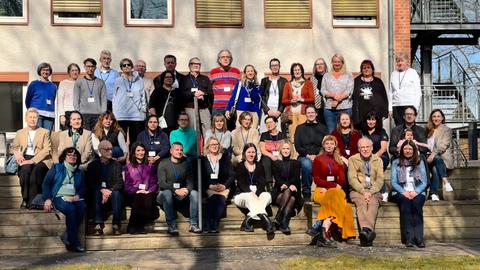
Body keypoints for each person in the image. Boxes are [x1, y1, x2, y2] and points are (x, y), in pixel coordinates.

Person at [307, 135, 356, 247]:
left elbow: (342, 179)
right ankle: (323, 230)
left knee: (337, 196)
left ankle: (322, 228)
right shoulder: (318, 159)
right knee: (343, 203)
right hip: (321, 190)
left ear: (335, 146)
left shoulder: (339, 160)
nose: (329, 146)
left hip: (336, 190)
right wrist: (333, 185)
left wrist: (334, 187)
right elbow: (317, 179)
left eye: (331, 144)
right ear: (323, 145)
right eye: (327, 143)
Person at [42, 147, 86, 253]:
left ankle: (67, 235)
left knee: (82, 207)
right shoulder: (57, 168)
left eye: (75, 155)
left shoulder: (79, 172)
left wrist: (78, 196)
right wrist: (47, 199)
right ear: (64, 157)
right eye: (69, 155)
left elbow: (84, 187)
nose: (72, 157)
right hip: (59, 197)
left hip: (73, 198)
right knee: (71, 210)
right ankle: (75, 243)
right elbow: (46, 183)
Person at [11, 108, 53, 208]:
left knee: (35, 173)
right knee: (25, 171)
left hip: (41, 158)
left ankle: (32, 202)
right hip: (25, 157)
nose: (32, 119)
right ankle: (25, 198)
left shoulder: (44, 132)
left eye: (35, 117)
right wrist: (18, 154)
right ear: (26, 118)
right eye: (30, 117)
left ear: (38, 119)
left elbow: (47, 149)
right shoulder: (20, 132)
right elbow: (14, 147)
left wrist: (32, 160)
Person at [156, 142, 200, 235]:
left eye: (181, 150)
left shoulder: (186, 163)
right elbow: (162, 183)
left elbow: (190, 182)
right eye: (177, 149)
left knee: (195, 193)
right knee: (167, 192)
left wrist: (187, 190)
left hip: (181, 194)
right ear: (171, 151)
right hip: (165, 194)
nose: (179, 152)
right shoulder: (163, 163)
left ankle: (193, 224)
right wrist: (175, 190)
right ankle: (171, 225)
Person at [390, 140, 428, 248]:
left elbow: (424, 181)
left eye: (410, 149)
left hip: (417, 191)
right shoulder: (395, 162)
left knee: (417, 205)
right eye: (405, 149)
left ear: (414, 150)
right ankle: (409, 238)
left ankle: (419, 238)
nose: (407, 151)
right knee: (406, 205)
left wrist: (415, 192)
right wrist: (404, 192)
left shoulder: (419, 162)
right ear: (402, 150)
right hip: (401, 191)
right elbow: (393, 182)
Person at [348, 137, 384, 247]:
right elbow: (352, 178)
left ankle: (365, 231)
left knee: (373, 203)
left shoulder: (378, 160)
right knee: (362, 202)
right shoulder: (352, 159)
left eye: (367, 147)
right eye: (362, 147)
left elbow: (380, 179)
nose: (365, 149)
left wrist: (371, 191)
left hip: (374, 191)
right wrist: (363, 191)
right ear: (358, 149)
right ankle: (369, 232)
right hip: (357, 191)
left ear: (372, 148)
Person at [233, 143, 274, 235]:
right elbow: (241, 183)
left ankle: (247, 221)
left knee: (267, 195)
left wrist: (257, 194)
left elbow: (262, 183)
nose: (251, 154)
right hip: (242, 195)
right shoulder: (240, 166)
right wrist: (251, 193)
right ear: (244, 153)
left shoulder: (259, 165)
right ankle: (266, 220)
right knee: (250, 196)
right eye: (249, 152)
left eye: (253, 152)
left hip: (257, 194)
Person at [86, 140, 124, 236]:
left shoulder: (117, 164)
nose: (110, 152)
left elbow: (119, 183)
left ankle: (116, 224)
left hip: (112, 193)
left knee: (116, 193)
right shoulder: (92, 165)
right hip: (99, 193)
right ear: (100, 151)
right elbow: (90, 183)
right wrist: (102, 190)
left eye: (111, 149)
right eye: (107, 149)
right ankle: (98, 223)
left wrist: (109, 191)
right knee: (96, 192)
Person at [294, 105, 328, 201]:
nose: (311, 114)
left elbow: (326, 144)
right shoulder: (300, 128)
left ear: (316, 114)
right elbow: (297, 146)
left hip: (320, 155)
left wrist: (317, 156)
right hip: (304, 156)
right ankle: (306, 192)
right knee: (306, 164)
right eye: (308, 113)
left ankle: (324, 191)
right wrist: (308, 155)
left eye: (312, 112)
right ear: (306, 114)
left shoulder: (323, 128)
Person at [201, 137, 234, 233]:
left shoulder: (225, 157)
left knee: (220, 199)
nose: (214, 146)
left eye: (216, 144)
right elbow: (200, 177)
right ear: (208, 146)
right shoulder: (203, 159)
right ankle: (207, 224)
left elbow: (231, 175)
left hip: (223, 186)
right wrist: (209, 186)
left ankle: (215, 224)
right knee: (213, 198)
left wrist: (224, 186)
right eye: (212, 144)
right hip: (210, 186)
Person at [124, 142, 159, 234]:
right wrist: (137, 191)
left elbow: (154, 183)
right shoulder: (128, 167)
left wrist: (149, 191)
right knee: (139, 198)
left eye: (143, 150)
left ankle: (136, 225)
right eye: (138, 150)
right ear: (134, 152)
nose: (141, 152)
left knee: (147, 199)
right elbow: (127, 186)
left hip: (148, 193)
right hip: (133, 194)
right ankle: (136, 226)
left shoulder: (151, 166)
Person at [271, 140, 303, 234]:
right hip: (279, 193)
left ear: (291, 150)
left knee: (292, 197)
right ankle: (284, 224)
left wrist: (288, 186)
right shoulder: (276, 163)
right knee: (290, 196)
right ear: (280, 150)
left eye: (288, 148)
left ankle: (278, 219)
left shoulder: (296, 163)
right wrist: (283, 185)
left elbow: (295, 178)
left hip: (293, 191)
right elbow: (277, 179)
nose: (285, 150)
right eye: (284, 148)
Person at [113, 57, 147, 143]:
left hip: (136, 116)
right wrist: (115, 113)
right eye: (124, 65)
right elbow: (115, 98)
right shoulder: (118, 81)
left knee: (135, 142)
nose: (126, 66)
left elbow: (143, 96)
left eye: (128, 65)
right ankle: (123, 157)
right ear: (121, 68)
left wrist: (143, 111)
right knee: (121, 141)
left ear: (132, 66)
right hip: (121, 115)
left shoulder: (139, 80)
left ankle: (134, 156)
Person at [361, 111, 390, 202]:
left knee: (376, 164)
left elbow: (383, 149)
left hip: (381, 157)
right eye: (369, 119)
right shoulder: (362, 132)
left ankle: (383, 191)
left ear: (376, 121)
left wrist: (372, 158)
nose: (371, 122)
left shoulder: (381, 131)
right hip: (365, 157)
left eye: (373, 120)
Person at [425, 109, 454, 199]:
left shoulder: (447, 130)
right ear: (431, 118)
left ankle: (433, 194)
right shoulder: (427, 129)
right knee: (435, 161)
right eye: (434, 116)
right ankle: (445, 181)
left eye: (438, 116)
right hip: (427, 158)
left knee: (435, 168)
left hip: (443, 159)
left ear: (442, 118)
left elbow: (443, 146)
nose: (436, 118)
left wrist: (433, 154)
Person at [282, 63, 315, 143]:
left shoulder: (308, 83)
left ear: (302, 71)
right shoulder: (288, 84)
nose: (297, 72)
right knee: (292, 136)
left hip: (303, 113)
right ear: (292, 72)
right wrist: (291, 101)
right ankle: (293, 155)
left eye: (299, 70)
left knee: (303, 135)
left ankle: (302, 154)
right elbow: (283, 100)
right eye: (295, 70)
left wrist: (302, 99)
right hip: (291, 114)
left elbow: (312, 99)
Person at [209, 49, 241, 129]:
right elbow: (207, 88)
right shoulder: (213, 72)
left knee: (232, 131)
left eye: (228, 57)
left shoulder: (236, 72)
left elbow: (240, 88)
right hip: (217, 107)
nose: (225, 59)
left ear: (231, 59)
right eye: (223, 57)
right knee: (217, 130)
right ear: (219, 60)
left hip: (232, 107)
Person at [321, 54, 354, 132]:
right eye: (335, 62)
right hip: (329, 109)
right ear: (332, 63)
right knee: (331, 131)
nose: (337, 63)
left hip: (345, 108)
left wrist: (337, 100)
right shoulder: (326, 75)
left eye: (339, 62)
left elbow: (349, 90)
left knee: (345, 131)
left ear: (342, 63)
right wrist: (333, 95)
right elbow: (323, 90)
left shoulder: (348, 75)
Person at [180, 57, 213, 135]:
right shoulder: (184, 79)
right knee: (191, 132)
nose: (196, 65)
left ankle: (206, 147)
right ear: (189, 66)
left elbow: (210, 93)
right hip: (190, 109)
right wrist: (193, 94)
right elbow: (181, 94)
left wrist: (203, 95)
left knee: (208, 131)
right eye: (194, 63)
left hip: (203, 109)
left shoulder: (205, 78)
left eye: (198, 64)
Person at [73, 58, 107, 131]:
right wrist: (78, 114)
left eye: (92, 66)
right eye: (88, 66)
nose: (90, 68)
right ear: (84, 67)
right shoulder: (79, 82)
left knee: (96, 138)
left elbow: (103, 100)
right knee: (85, 137)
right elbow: (76, 99)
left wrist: (103, 115)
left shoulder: (101, 82)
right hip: (83, 115)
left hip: (97, 115)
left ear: (95, 68)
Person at [352, 60, 388, 128]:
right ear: (361, 70)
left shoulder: (378, 82)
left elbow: (384, 98)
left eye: (368, 67)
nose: (366, 69)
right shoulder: (356, 81)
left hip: (375, 114)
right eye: (364, 68)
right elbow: (353, 97)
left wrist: (384, 113)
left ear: (372, 69)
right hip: (360, 114)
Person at [389, 52, 421, 126]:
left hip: (409, 105)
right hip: (396, 106)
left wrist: (415, 108)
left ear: (407, 62)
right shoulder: (393, 74)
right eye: (398, 61)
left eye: (402, 60)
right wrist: (390, 108)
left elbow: (418, 92)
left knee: (410, 129)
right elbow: (391, 92)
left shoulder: (413, 73)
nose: (400, 63)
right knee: (399, 129)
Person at [226, 64, 263, 129]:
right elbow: (233, 97)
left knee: (252, 134)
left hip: (253, 112)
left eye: (252, 71)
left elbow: (258, 101)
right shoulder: (240, 84)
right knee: (240, 133)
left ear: (254, 73)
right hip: (241, 111)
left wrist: (253, 87)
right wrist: (228, 109)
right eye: (248, 71)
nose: (250, 73)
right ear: (245, 73)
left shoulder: (257, 86)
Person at [25, 62, 57, 131]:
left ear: (50, 72)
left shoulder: (53, 86)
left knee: (47, 136)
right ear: (40, 71)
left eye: (47, 70)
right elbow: (28, 99)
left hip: (49, 115)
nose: (45, 72)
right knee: (37, 135)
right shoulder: (34, 84)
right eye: (43, 70)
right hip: (37, 114)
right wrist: (31, 111)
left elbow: (53, 100)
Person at [260, 58, 288, 133]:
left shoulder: (284, 81)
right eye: (273, 65)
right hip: (267, 110)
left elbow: (285, 97)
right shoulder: (264, 81)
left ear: (279, 66)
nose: (275, 67)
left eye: (276, 65)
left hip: (278, 110)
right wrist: (267, 110)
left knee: (278, 132)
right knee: (265, 131)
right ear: (270, 67)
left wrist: (279, 111)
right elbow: (261, 96)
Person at [149, 70, 180, 135]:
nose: (169, 78)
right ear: (163, 79)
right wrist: (155, 119)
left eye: (170, 77)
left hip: (175, 123)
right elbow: (151, 106)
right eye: (166, 77)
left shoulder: (177, 91)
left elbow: (181, 107)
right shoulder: (157, 91)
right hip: (162, 123)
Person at [259, 116, 287, 186]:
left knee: (281, 161)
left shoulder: (282, 135)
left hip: (279, 156)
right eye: (267, 123)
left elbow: (285, 148)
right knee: (266, 159)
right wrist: (271, 156)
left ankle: (281, 183)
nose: (269, 124)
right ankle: (269, 183)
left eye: (271, 122)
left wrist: (279, 156)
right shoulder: (264, 135)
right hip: (268, 156)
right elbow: (262, 149)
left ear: (276, 123)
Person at [57, 63, 80, 130]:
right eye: (72, 70)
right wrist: (61, 115)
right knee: (67, 137)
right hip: (67, 114)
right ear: (69, 72)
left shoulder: (81, 83)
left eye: (76, 70)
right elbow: (60, 101)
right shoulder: (63, 83)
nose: (75, 72)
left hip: (78, 113)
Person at [311, 58, 328, 125]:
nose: (319, 66)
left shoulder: (330, 77)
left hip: (328, 108)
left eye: (321, 64)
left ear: (325, 66)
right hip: (316, 108)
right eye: (317, 64)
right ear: (315, 67)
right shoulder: (311, 79)